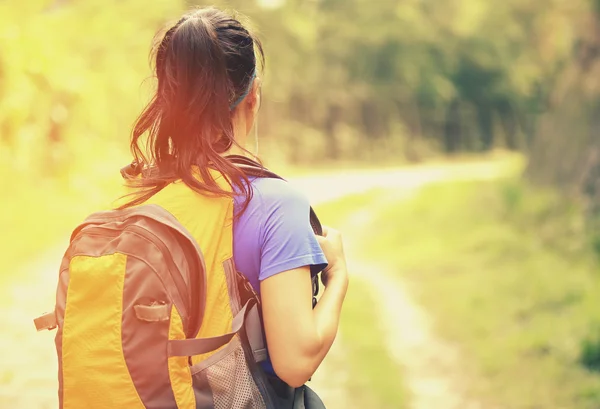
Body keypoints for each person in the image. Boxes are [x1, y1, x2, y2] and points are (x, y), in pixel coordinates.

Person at [122, 6, 349, 391]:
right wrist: (338, 276)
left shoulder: (137, 198)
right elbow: (295, 363)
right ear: (253, 95)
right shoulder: (277, 205)